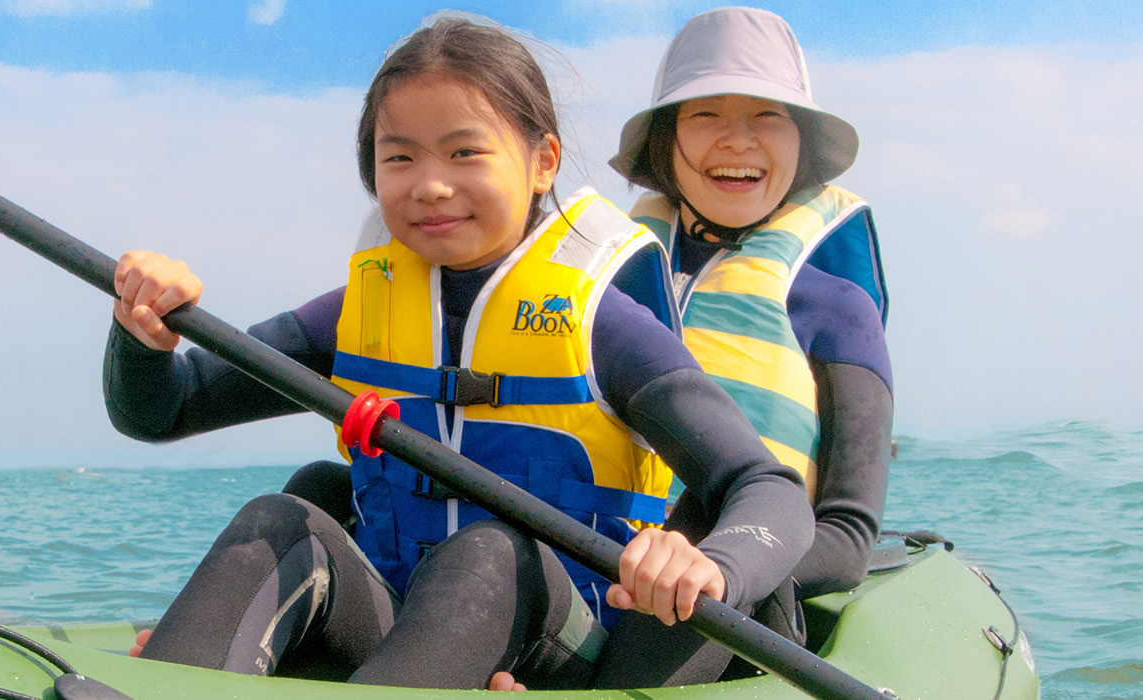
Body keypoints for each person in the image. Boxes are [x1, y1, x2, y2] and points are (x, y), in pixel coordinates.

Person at [104, 15, 813, 691]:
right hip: (400, 628)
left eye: (465, 151)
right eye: (400, 157)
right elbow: (166, 408)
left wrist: (710, 566)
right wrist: (144, 331)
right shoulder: (359, 311)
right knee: (280, 517)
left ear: (543, 161)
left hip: (571, 646)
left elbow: (768, 490)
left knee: (488, 552)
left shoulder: (604, 324)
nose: (430, 184)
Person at [597, 6, 894, 684]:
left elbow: (847, 539)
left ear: (803, 144)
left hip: (727, 601)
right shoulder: (594, 285)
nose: (738, 142)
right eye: (705, 116)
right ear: (666, 142)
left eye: (767, 116)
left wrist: (710, 564)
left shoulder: (840, 310)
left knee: (704, 513)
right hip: (589, 568)